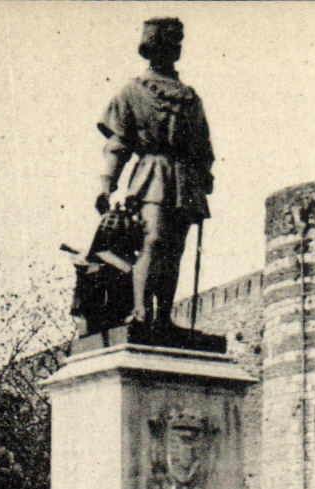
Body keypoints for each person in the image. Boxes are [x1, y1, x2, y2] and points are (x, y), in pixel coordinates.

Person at [95, 17, 214, 339]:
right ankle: (140, 311)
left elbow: (203, 146)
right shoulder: (133, 91)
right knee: (153, 241)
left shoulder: (190, 97)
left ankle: (163, 317)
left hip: (184, 180)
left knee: (175, 250)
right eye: (163, 44)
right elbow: (118, 144)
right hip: (152, 173)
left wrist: (205, 175)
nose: (169, 50)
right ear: (149, 48)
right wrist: (107, 183)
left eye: (174, 45)